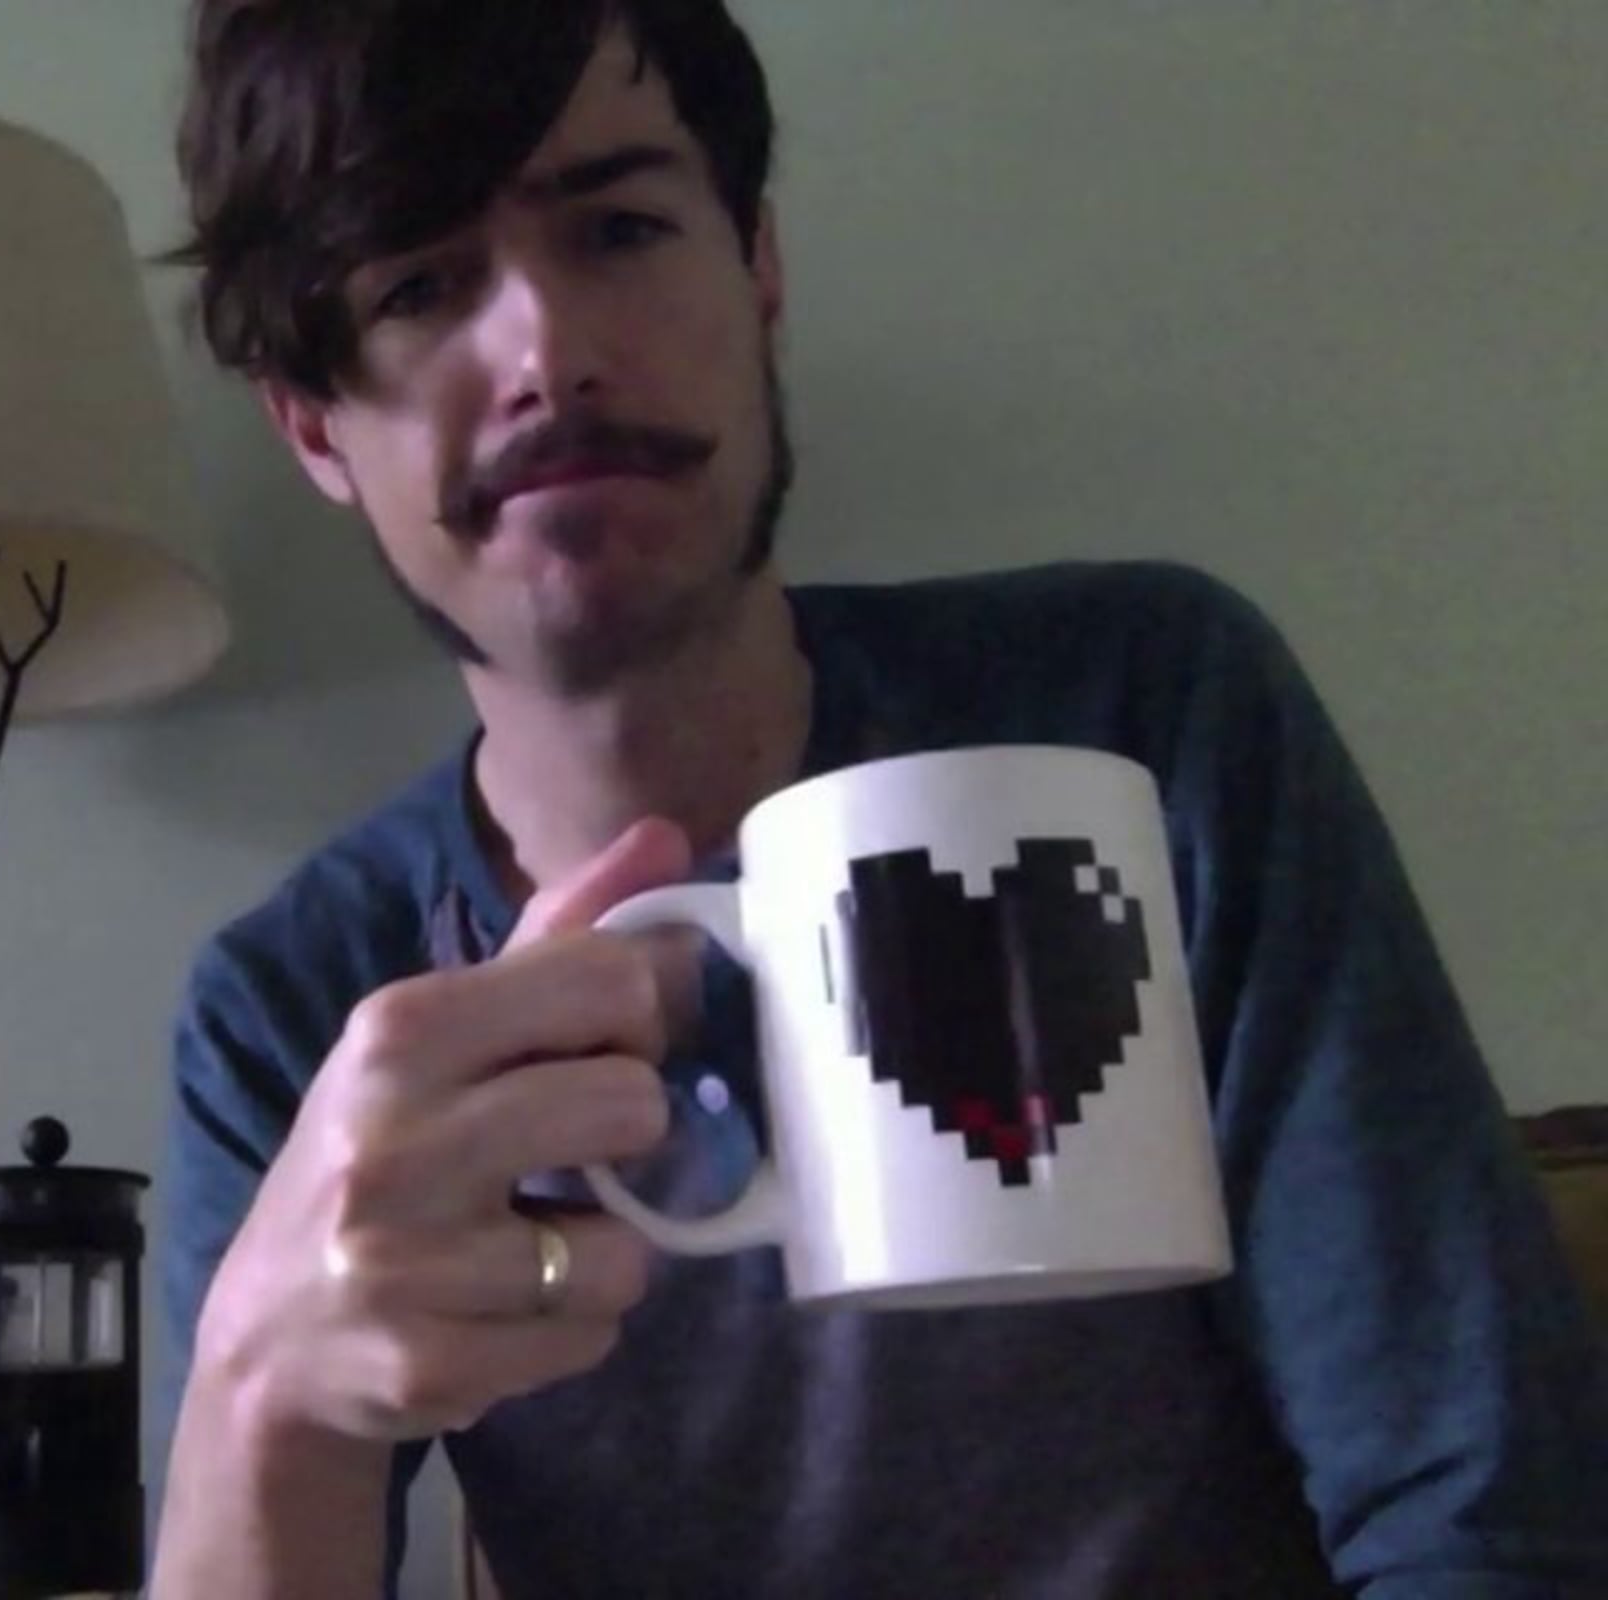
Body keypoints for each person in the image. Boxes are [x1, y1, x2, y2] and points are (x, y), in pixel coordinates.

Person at [145, 2, 1608, 1595]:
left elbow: (1484, 1510)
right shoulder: (300, 1015)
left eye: (620, 229)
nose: (547, 353)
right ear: (313, 424)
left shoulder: (1143, 714)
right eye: (419, 286)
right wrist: (263, 1400)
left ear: (758, 271)